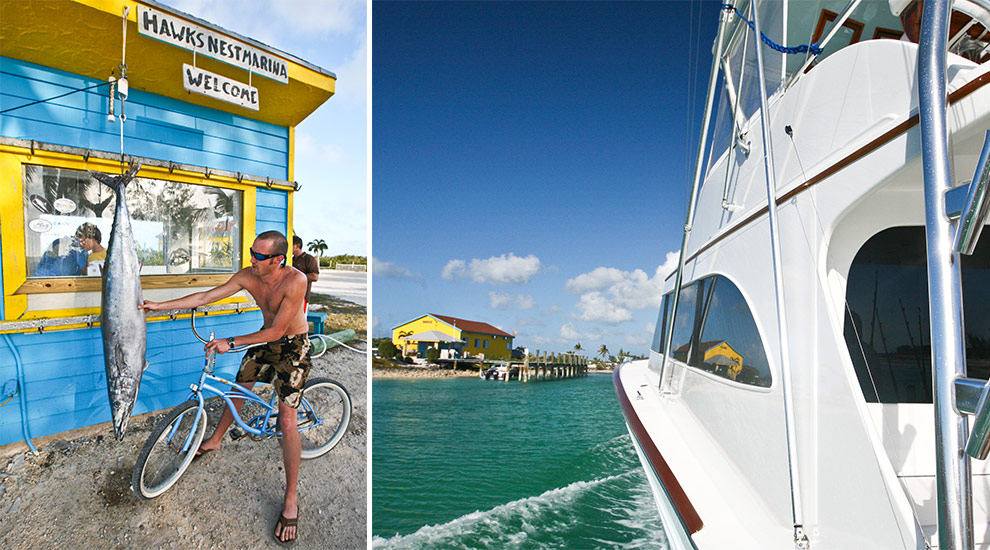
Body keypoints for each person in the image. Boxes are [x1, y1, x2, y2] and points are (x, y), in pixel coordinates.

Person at [139, 230, 309, 545]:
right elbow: (206, 297)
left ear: (278, 259)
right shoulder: (249, 275)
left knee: (287, 422)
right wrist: (159, 307)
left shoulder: (296, 280)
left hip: (291, 346)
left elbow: (278, 331)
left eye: (259, 256)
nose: (252, 260)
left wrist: (230, 342)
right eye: (251, 252)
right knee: (237, 388)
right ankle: (216, 439)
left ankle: (290, 498)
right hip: (265, 337)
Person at [291, 235, 320, 312]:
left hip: (302, 297)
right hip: (290, 296)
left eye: (290, 245)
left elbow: (315, 277)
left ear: (297, 245)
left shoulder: (308, 259)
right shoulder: (291, 260)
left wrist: (297, 277)